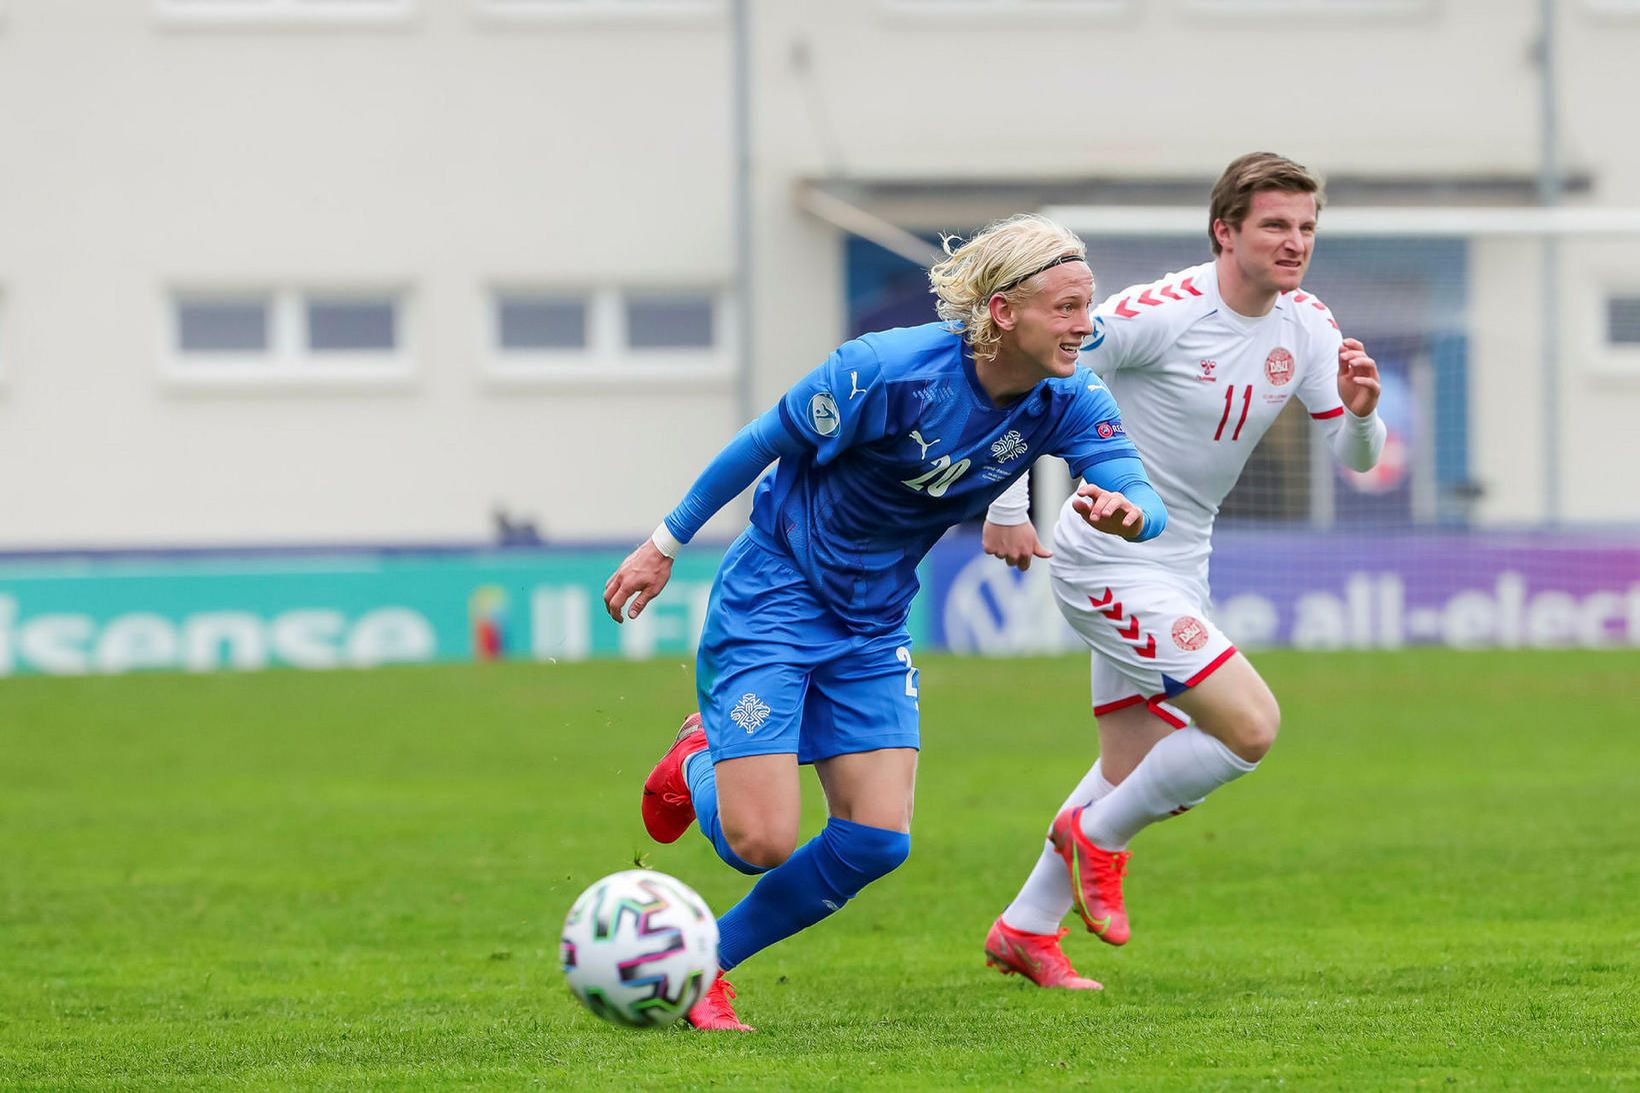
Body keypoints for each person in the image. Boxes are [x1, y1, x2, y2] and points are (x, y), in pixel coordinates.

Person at [603, 213, 1168, 1029]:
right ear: (1003, 313)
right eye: (1068, 307)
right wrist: (665, 544)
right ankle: (699, 755)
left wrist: (1129, 515)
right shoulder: (885, 369)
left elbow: (1138, 492)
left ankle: (702, 964)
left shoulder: (1068, 396)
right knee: (757, 840)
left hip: (871, 621)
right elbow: (761, 439)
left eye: (1090, 305)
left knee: (875, 840)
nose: (1088, 324)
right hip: (776, 597)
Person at [979, 153, 1385, 990]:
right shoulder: (1157, 312)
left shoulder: (1306, 325)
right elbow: (1030, 376)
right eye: (1275, 224)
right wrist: (1009, 504)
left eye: (1307, 227)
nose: (1295, 241)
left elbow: (1352, 454)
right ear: (1224, 231)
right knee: (1250, 727)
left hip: (1182, 565)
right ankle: (1097, 837)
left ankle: (1025, 926)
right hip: (1107, 559)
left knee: (1135, 766)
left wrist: (1364, 413)